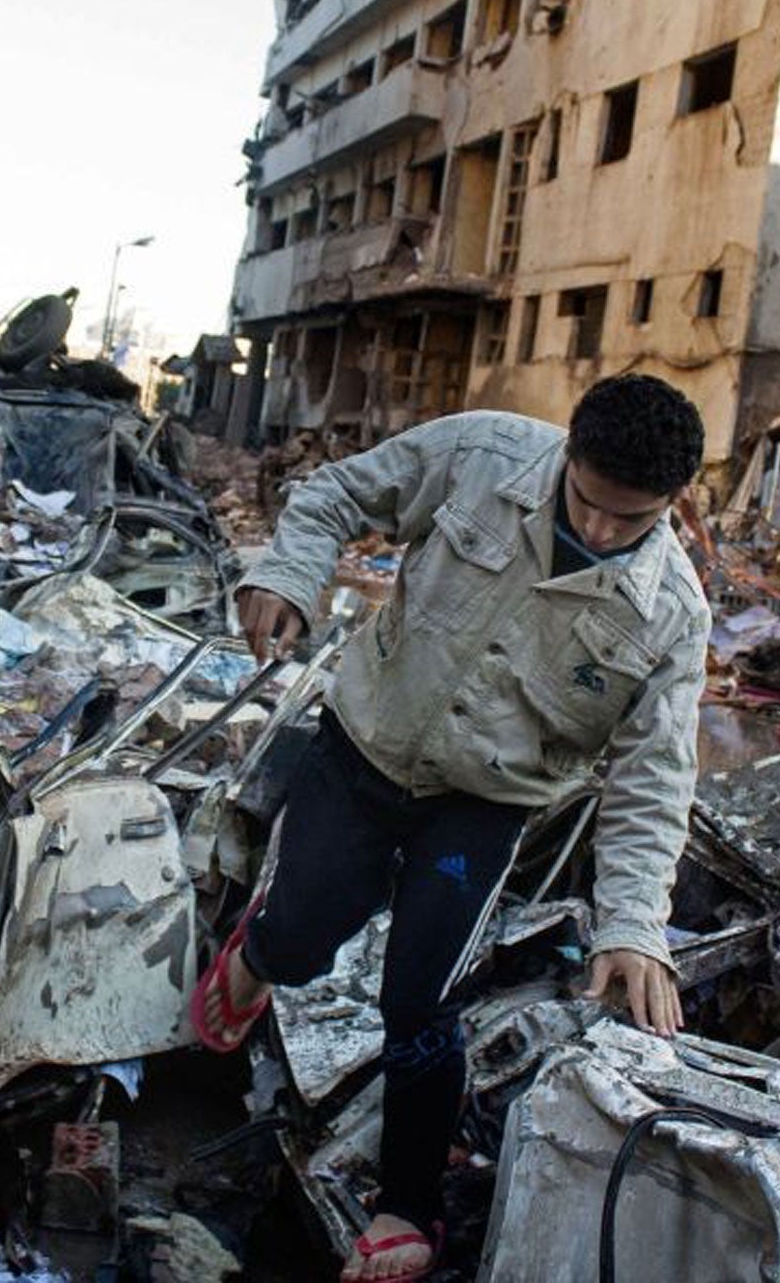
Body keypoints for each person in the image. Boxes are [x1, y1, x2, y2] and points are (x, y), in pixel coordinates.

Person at [189, 375, 710, 1282]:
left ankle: (405, 1207)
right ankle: (259, 957)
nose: (599, 534)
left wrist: (632, 923)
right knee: (306, 934)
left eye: (632, 523)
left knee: (422, 1004)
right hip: (363, 749)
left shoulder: (672, 615)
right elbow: (335, 492)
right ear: (566, 457)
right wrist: (286, 574)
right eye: (587, 503)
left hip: (485, 806)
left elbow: (653, 779)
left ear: (675, 505)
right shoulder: (482, 455)